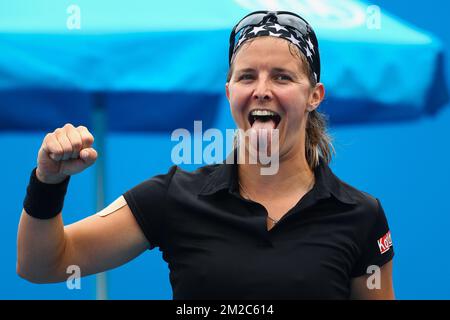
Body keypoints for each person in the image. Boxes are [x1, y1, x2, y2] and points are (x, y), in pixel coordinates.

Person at [17, 10, 394, 299]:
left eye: (282, 76)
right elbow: (43, 263)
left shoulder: (360, 214)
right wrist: (48, 182)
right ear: (230, 92)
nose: (262, 90)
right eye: (247, 76)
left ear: (314, 95)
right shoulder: (172, 197)